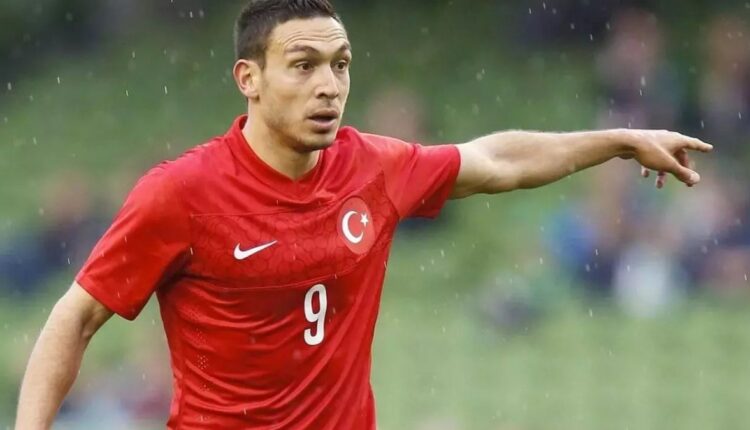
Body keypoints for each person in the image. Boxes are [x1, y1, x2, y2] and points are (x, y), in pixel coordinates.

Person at [14, 1, 712, 429]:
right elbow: (75, 317)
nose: (329, 85)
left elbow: (494, 160)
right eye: (304, 65)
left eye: (341, 64)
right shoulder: (182, 193)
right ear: (248, 79)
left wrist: (617, 141)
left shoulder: (371, 167)